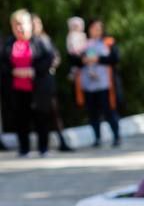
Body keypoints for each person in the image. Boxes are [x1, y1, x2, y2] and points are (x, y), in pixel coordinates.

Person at [1, 9, 56, 157]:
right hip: (17, 88)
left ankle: (43, 148)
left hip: (38, 87)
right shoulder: (8, 43)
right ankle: (24, 149)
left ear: (30, 25)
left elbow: (50, 58)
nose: (19, 28)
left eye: (22, 24)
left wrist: (34, 70)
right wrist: (13, 71)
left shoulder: (41, 41)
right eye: (15, 25)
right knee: (21, 118)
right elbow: (3, 63)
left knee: (41, 116)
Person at [72, 19, 123, 148]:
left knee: (109, 111)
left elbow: (115, 58)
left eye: (98, 28)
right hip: (88, 85)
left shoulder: (108, 42)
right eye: (93, 28)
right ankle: (97, 138)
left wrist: (98, 59)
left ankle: (116, 136)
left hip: (105, 84)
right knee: (92, 113)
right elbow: (74, 59)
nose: (96, 30)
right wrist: (83, 60)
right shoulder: (84, 43)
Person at [32, 15, 73, 152]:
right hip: (35, 82)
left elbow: (55, 56)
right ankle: (42, 145)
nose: (36, 26)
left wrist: (53, 63)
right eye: (33, 23)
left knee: (54, 112)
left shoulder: (45, 39)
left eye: (38, 23)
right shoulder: (29, 42)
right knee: (40, 114)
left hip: (48, 81)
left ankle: (61, 141)